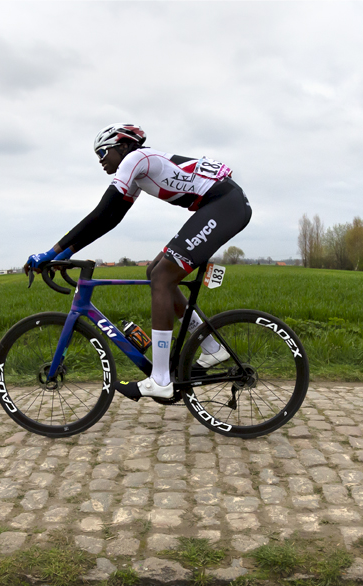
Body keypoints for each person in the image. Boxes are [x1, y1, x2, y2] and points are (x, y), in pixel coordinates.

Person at [23, 123, 251, 400]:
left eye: (103, 152)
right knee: (155, 271)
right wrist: (65, 252)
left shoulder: (135, 159)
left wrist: (51, 251)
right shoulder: (140, 171)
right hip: (222, 204)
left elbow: (102, 211)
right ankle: (212, 348)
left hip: (226, 204)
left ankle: (161, 379)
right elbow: (109, 220)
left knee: (163, 277)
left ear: (122, 146)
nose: (100, 160)